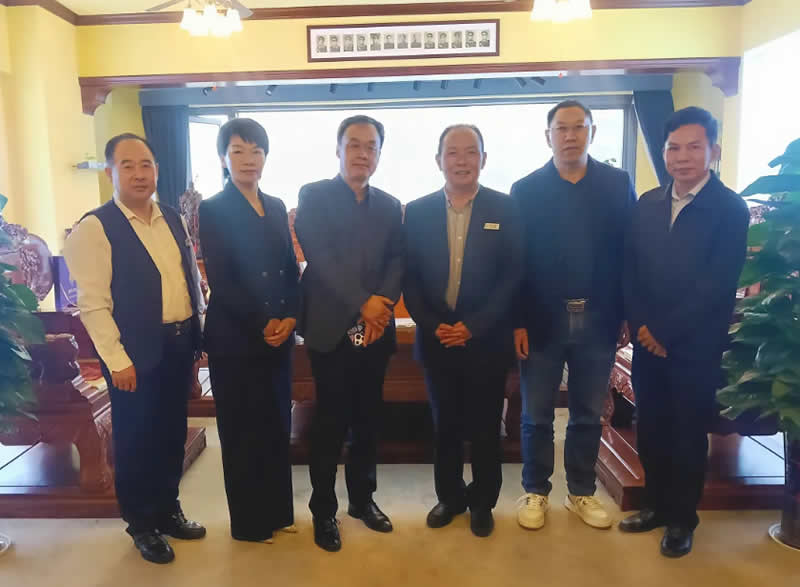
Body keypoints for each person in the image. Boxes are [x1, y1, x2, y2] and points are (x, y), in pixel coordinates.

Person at [64, 133, 206, 565]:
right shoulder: (95, 228)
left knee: (170, 433)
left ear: (157, 170)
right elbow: (93, 304)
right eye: (127, 165)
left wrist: (198, 334)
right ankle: (141, 524)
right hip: (133, 355)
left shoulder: (171, 218)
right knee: (135, 439)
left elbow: (188, 280)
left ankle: (167, 509)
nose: (139, 174)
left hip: (178, 344)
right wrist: (116, 360)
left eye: (146, 164)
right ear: (110, 172)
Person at [620, 107, 749, 558]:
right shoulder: (648, 202)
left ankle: (681, 520)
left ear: (714, 151)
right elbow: (631, 269)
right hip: (647, 342)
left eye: (694, 147)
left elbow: (718, 283)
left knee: (687, 434)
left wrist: (665, 332)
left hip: (695, 345)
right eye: (674, 148)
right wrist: (642, 325)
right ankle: (655, 505)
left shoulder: (729, 208)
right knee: (652, 428)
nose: (682, 157)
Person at [512, 100, 635, 531]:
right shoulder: (526, 190)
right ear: (548, 136)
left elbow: (629, 252)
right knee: (537, 415)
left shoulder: (617, 184)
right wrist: (518, 320)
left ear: (592, 132)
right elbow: (516, 261)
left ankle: (581, 491)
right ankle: (535, 490)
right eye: (561, 128)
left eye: (578, 127)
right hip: (541, 320)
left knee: (587, 413)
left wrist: (625, 313)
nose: (569, 135)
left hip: (599, 318)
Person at [404, 125, 523, 538]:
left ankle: (483, 501)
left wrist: (473, 326)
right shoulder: (417, 211)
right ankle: (451, 497)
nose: (461, 160)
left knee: (486, 427)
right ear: (439, 160)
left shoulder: (505, 208)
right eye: (452, 152)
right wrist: (435, 325)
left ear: (483, 159)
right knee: (445, 427)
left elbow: (512, 277)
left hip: (486, 341)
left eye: (470, 152)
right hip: (437, 339)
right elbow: (410, 280)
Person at [295, 115, 404, 552]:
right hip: (330, 329)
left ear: (379, 153)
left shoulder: (390, 205)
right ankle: (324, 510)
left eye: (371, 146)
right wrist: (364, 302)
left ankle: (363, 500)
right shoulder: (314, 196)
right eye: (354, 144)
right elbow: (320, 257)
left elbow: (398, 259)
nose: (362, 153)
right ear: (338, 150)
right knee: (330, 422)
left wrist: (382, 304)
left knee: (368, 421)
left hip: (374, 331)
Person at [198, 118, 299, 545]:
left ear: (266, 157)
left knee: (276, 425)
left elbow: (290, 269)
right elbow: (223, 279)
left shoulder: (275, 205)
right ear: (224, 158)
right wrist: (264, 322)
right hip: (236, 339)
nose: (248, 159)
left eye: (256, 151)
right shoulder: (213, 209)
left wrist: (291, 317)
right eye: (237, 151)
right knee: (242, 432)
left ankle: (278, 512)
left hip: (278, 339)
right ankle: (249, 524)